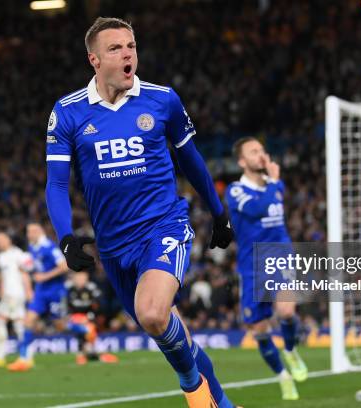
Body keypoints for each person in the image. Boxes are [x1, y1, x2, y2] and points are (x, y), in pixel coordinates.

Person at [45, 17, 237, 408]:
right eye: (115, 48)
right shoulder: (67, 112)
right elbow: (57, 184)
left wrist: (219, 213)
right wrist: (65, 237)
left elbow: (192, 160)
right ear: (94, 60)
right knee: (167, 328)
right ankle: (222, 401)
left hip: (163, 226)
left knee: (152, 313)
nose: (127, 53)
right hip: (114, 248)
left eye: (131, 45)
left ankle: (193, 390)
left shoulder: (161, 99)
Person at [225, 137, 308, 400]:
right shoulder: (236, 191)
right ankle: (283, 376)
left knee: (285, 309)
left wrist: (273, 182)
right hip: (251, 265)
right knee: (259, 329)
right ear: (242, 161)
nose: (261, 155)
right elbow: (258, 209)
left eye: (262, 149)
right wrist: (274, 181)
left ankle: (291, 350)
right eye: (253, 151)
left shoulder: (274, 185)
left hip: (280, 255)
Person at [7, 223, 68, 371]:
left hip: (55, 290)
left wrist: (45, 276)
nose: (29, 234)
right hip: (40, 291)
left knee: (60, 326)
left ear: (40, 232)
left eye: (32, 231)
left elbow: (65, 266)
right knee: (28, 321)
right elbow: (34, 267)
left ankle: (85, 331)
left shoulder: (49, 247)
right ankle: (23, 359)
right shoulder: (32, 248)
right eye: (28, 232)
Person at [0, 232, 33, 368]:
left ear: (8, 239)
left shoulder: (18, 254)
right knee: (8, 323)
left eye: (1, 239)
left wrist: (29, 291)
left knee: (9, 323)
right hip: (8, 295)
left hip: (17, 294)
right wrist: (1, 291)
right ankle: (19, 356)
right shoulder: (1, 257)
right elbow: (3, 276)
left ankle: (19, 356)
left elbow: (25, 273)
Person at [65, 270, 118, 365]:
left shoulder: (91, 289)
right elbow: (67, 309)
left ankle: (86, 355)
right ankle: (93, 354)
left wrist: (89, 317)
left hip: (88, 319)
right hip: (72, 320)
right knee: (88, 329)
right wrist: (75, 318)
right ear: (74, 279)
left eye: (83, 278)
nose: (80, 280)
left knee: (89, 330)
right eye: (78, 278)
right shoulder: (69, 290)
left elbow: (98, 306)